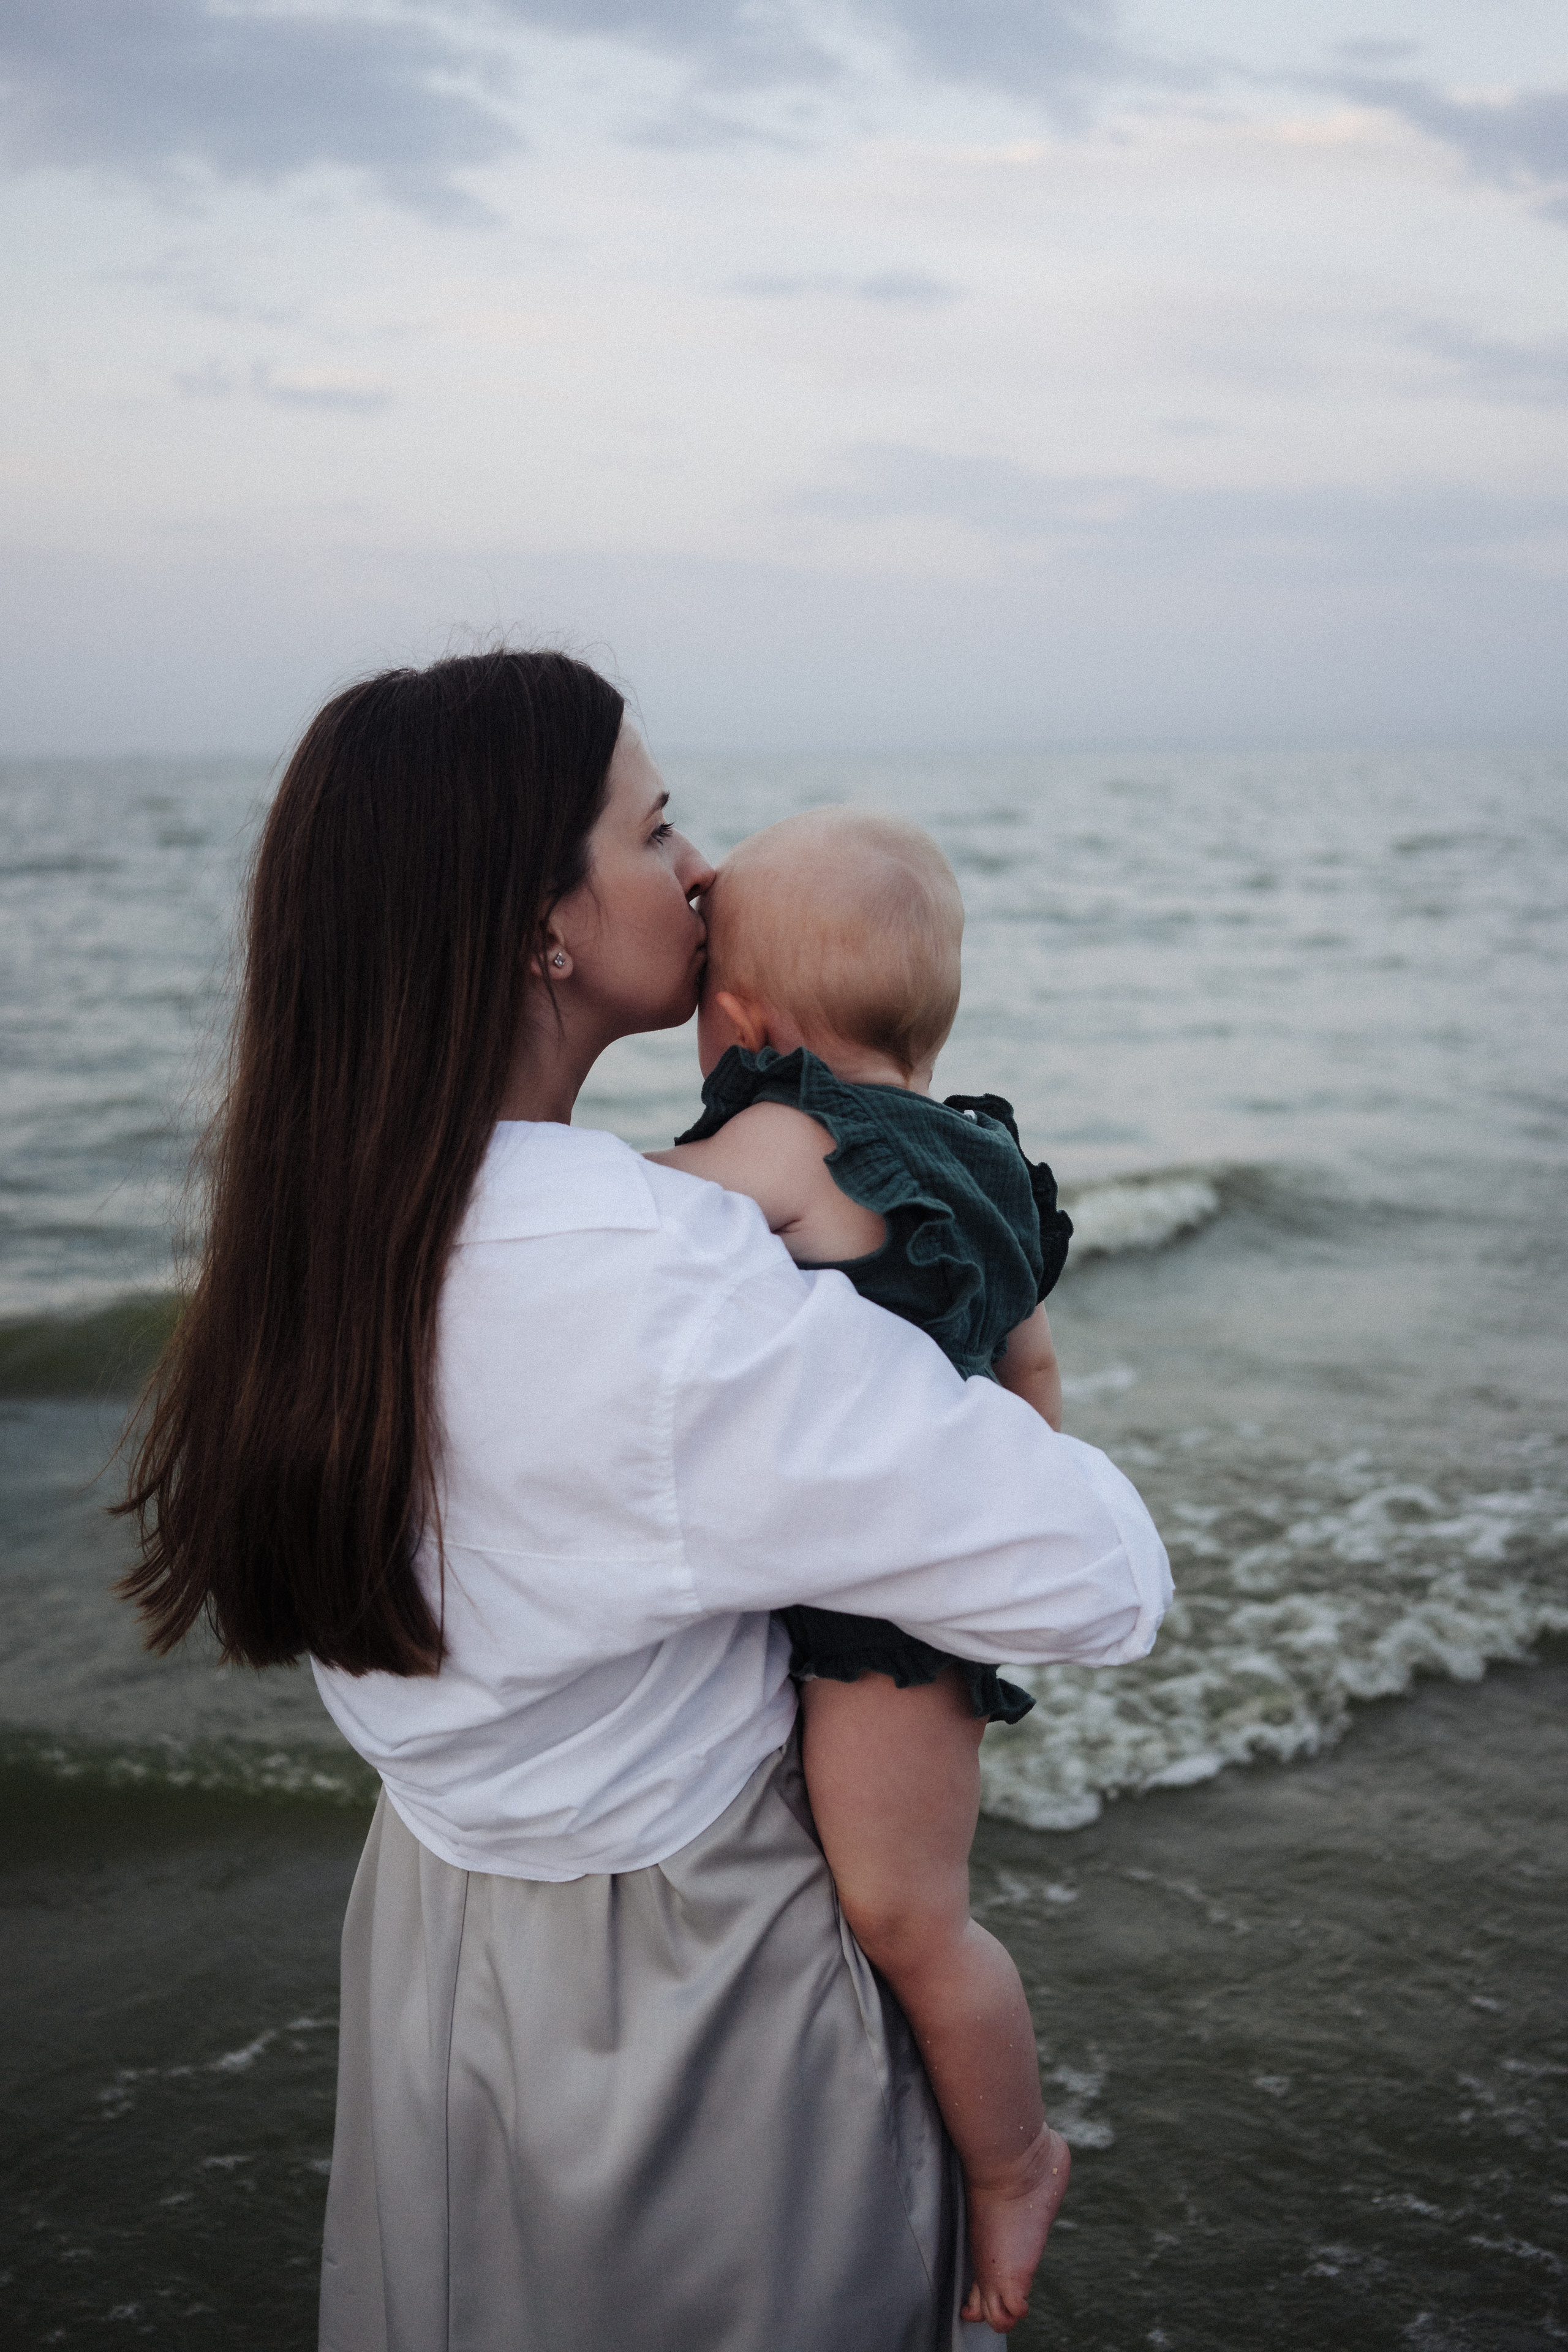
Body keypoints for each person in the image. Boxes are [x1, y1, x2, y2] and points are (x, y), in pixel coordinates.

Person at [118, 651, 1171, 2352]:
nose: (702, 869)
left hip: (432, 1942)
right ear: (539, 923)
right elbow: (1101, 1580)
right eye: (656, 824)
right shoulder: (665, 1271)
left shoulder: (319, 1237)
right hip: (694, 1976)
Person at [648, 808, 1074, 2331]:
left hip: (877, 1622)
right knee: (899, 1893)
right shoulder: (993, 1164)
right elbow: (1030, 1380)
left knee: (906, 1911)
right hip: (932, 1590)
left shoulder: (780, 1134)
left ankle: (1014, 2158)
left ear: (744, 1019)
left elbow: (618, 1220)